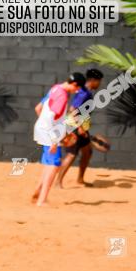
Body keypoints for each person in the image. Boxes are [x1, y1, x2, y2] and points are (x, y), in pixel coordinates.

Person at [31, 72, 85, 206]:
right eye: (77, 88)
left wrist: (43, 127)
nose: (76, 91)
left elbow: (38, 108)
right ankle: (42, 201)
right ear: (74, 84)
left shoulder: (55, 88)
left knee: (49, 163)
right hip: (50, 132)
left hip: (42, 129)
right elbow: (52, 118)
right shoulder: (62, 96)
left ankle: (38, 191)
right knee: (54, 165)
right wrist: (54, 140)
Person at [57, 69, 103, 188]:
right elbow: (72, 110)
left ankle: (80, 180)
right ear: (93, 80)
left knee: (87, 152)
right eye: (99, 81)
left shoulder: (85, 91)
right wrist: (80, 128)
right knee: (71, 155)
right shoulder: (84, 93)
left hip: (80, 126)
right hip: (74, 126)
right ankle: (58, 183)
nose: (100, 84)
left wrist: (84, 127)